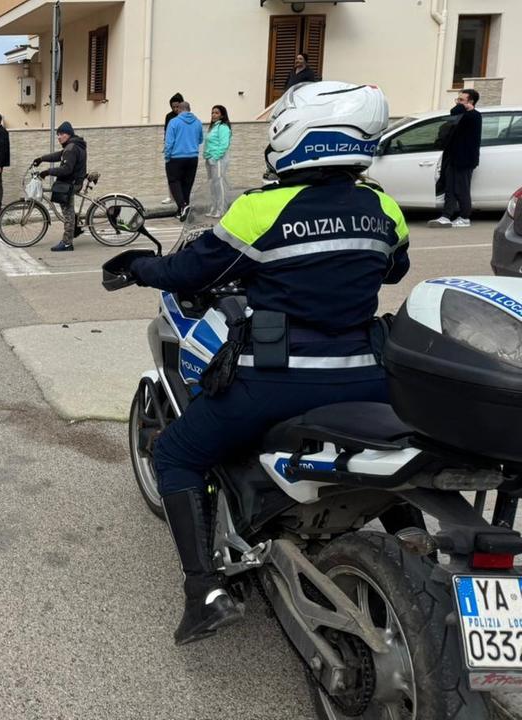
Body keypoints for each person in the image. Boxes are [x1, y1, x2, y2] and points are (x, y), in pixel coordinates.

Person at [111, 81, 407, 646]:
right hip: (368, 378)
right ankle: (409, 535)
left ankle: (204, 592)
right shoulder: (382, 206)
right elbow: (393, 269)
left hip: (276, 379)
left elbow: (191, 271)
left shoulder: (260, 208)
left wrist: (136, 266)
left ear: (298, 136)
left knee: (176, 453)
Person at [31, 121, 88, 252]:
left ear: (69, 134)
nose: (59, 137)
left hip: (71, 183)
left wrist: (47, 172)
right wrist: (41, 158)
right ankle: (75, 228)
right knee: (68, 210)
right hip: (74, 181)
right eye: (58, 134)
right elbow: (59, 155)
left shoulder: (71, 148)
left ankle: (67, 243)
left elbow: (66, 169)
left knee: (67, 213)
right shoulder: (72, 145)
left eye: (62, 134)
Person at [431, 88, 482, 228]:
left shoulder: (474, 116)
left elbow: (454, 111)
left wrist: (464, 107)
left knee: (461, 189)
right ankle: (446, 216)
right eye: (457, 99)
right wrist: (462, 106)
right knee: (450, 188)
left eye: (461, 100)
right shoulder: (462, 114)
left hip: (464, 160)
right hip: (453, 158)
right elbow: (454, 113)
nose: (458, 102)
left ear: (471, 102)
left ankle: (465, 217)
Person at [165, 101, 203, 221]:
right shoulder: (198, 122)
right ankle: (182, 211)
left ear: (180, 109)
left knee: (174, 182)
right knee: (187, 184)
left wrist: (167, 156)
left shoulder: (174, 122)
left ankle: (183, 206)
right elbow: (200, 140)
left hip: (176, 157)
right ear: (189, 109)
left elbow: (169, 142)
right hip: (193, 158)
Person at [203, 105, 232, 218]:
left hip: (218, 160)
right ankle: (214, 208)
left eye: (216, 113)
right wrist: (207, 156)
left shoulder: (223, 127)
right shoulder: (213, 127)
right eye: (212, 113)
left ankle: (221, 210)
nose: (213, 115)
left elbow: (224, 145)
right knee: (213, 185)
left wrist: (215, 157)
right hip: (210, 159)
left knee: (219, 185)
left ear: (222, 115)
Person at [162, 93, 184, 205]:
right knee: (171, 175)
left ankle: (181, 197)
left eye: (177, 106)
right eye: (173, 107)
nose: (175, 109)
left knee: (181, 175)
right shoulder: (169, 116)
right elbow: (166, 132)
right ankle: (171, 196)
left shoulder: (185, 116)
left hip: (182, 149)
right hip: (172, 148)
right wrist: (165, 145)